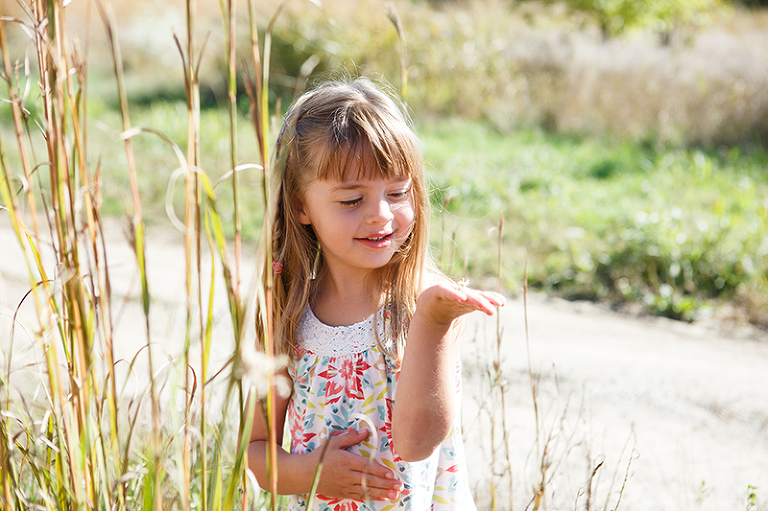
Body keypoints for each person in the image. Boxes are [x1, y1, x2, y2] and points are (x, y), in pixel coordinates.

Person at [247, 77, 505, 510]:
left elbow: (417, 443)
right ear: (300, 206)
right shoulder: (287, 314)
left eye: (398, 193)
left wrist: (434, 323)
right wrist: (308, 474)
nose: (381, 215)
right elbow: (257, 452)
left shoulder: (426, 305)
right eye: (351, 200)